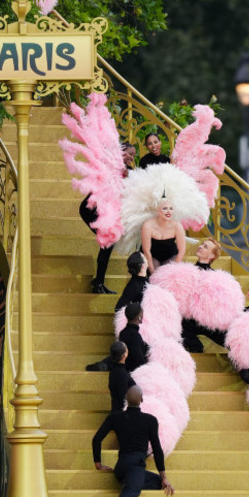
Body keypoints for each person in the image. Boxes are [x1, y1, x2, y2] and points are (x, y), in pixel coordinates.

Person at [92, 384, 175, 497]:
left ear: (126, 399)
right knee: (135, 485)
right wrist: (165, 475)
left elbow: (96, 439)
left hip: (122, 467)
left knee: (156, 483)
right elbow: (157, 449)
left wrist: (98, 463)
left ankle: (125, 495)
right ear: (142, 400)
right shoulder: (150, 420)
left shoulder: (115, 417)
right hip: (135, 465)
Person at [80, 141, 136, 294]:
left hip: (105, 214)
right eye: (130, 153)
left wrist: (128, 175)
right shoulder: (109, 163)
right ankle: (98, 283)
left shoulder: (129, 171)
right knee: (108, 243)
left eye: (134, 155)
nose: (132, 157)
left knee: (107, 244)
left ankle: (99, 282)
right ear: (121, 151)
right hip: (90, 209)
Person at [181, 238, 225, 352]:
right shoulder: (187, 271)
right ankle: (196, 346)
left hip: (206, 320)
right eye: (202, 244)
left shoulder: (215, 277)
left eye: (205, 246)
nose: (200, 246)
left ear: (211, 256)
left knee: (226, 336)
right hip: (188, 320)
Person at [140, 198, 186, 274]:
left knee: (168, 275)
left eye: (171, 209)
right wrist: (152, 270)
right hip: (152, 255)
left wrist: (174, 269)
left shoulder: (177, 226)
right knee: (154, 276)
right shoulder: (148, 225)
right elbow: (146, 250)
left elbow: (182, 250)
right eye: (165, 208)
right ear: (157, 211)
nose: (168, 211)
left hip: (170, 255)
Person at [118, 302, 149, 372]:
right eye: (142, 314)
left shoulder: (122, 333)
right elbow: (139, 360)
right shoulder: (134, 335)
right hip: (134, 374)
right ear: (139, 317)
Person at [107, 341, 135, 411]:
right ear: (124, 355)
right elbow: (123, 398)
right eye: (126, 348)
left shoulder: (115, 371)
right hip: (121, 414)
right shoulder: (121, 373)